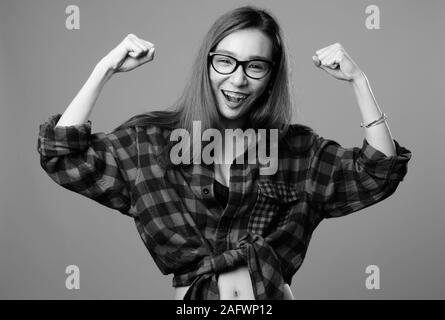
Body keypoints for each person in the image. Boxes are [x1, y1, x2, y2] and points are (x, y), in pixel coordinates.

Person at [37, 6, 411, 300]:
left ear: (270, 76)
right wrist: (104, 70)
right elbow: (64, 156)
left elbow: (376, 175)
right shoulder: (150, 142)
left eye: (255, 66)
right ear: (209, 63)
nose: (238, 79)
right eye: (226, 61)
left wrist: (359, 82)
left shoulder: (295, 149)